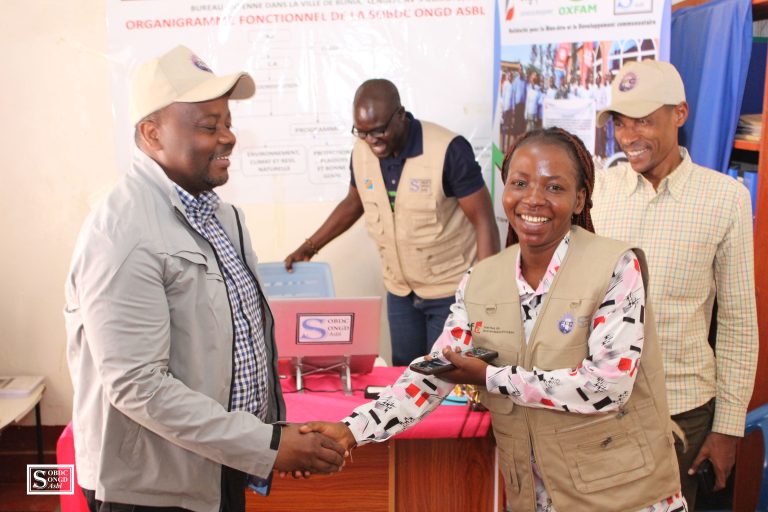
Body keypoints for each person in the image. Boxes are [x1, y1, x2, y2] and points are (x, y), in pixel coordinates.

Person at [300, 127, 686, 511]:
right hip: (536, 500)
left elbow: (607, 386)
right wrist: (351, 430)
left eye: (554, 187)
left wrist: (490, 378)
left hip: (625, 497)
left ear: (580, 197)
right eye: (520, 183)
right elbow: (432, 374)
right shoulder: (480, 280)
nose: (533, 199)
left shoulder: (616, 266)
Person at [64, 45, 345, 512]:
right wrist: (268, 447)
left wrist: (270, 438)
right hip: (150, 491)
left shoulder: (223, 217)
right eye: (209, 127)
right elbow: (140, 387)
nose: (229, 138)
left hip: (218, 467)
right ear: (152, 134)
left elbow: (240, 349)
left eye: (228, 123)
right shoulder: (122, 231)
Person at [593, 59, 758, 510]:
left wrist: (727, 429)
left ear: (679, 114)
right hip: (603, 410)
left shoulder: (725, 199)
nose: (629, 136)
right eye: (621, 123)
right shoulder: (597, 192)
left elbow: (740, 322)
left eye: (643, 120)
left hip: (686, 414)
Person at [284, 79, 499, 366]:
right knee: (405, 374)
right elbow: (354, 201)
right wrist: (310, 246)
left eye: (379, 130)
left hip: (450, 289)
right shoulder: (363, 151)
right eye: (362, 132)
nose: (372, 140)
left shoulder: (448, 149)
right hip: (401, 291)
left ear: (401, 115)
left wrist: (484, 291)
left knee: (447, 372)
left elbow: (484, 220)